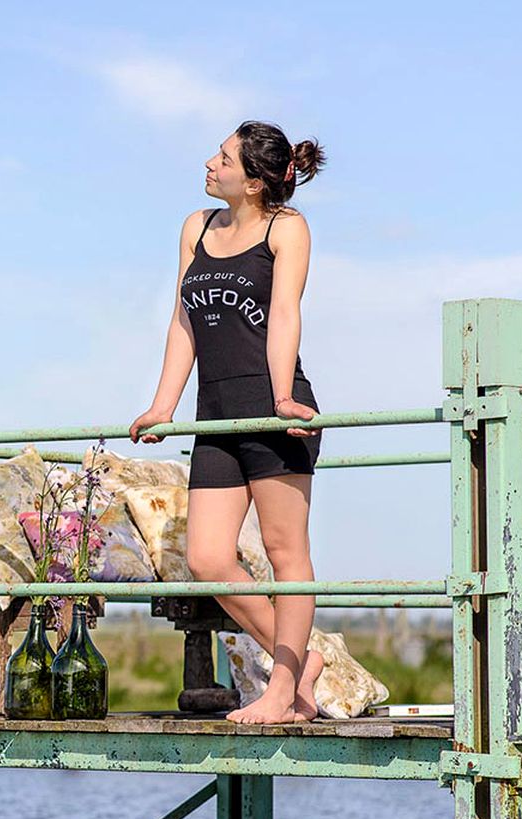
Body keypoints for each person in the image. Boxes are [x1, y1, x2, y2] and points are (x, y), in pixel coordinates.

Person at [129, 120, 327, 724]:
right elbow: (184, 321)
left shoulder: (285, 228)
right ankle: (302, 663)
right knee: (209, 559)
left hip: (274, 406)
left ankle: (282, 688)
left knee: (283, 548)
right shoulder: (198, 226)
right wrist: (164, 406)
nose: (210, 163)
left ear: (253, 179)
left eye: (223, 157)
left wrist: (282, 399)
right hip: (213, 414)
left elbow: (284, 314)